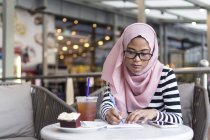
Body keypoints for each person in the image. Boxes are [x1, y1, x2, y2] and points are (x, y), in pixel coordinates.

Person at [99, 23, 183, 125]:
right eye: (130, 52)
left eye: (144, 53)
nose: (137, 59)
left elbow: (178, 119)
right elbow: (106, 103)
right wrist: (108, 113)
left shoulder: (165, 75)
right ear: (123, 51)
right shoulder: (118, 73)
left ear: (152, 52)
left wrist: (154, 113)